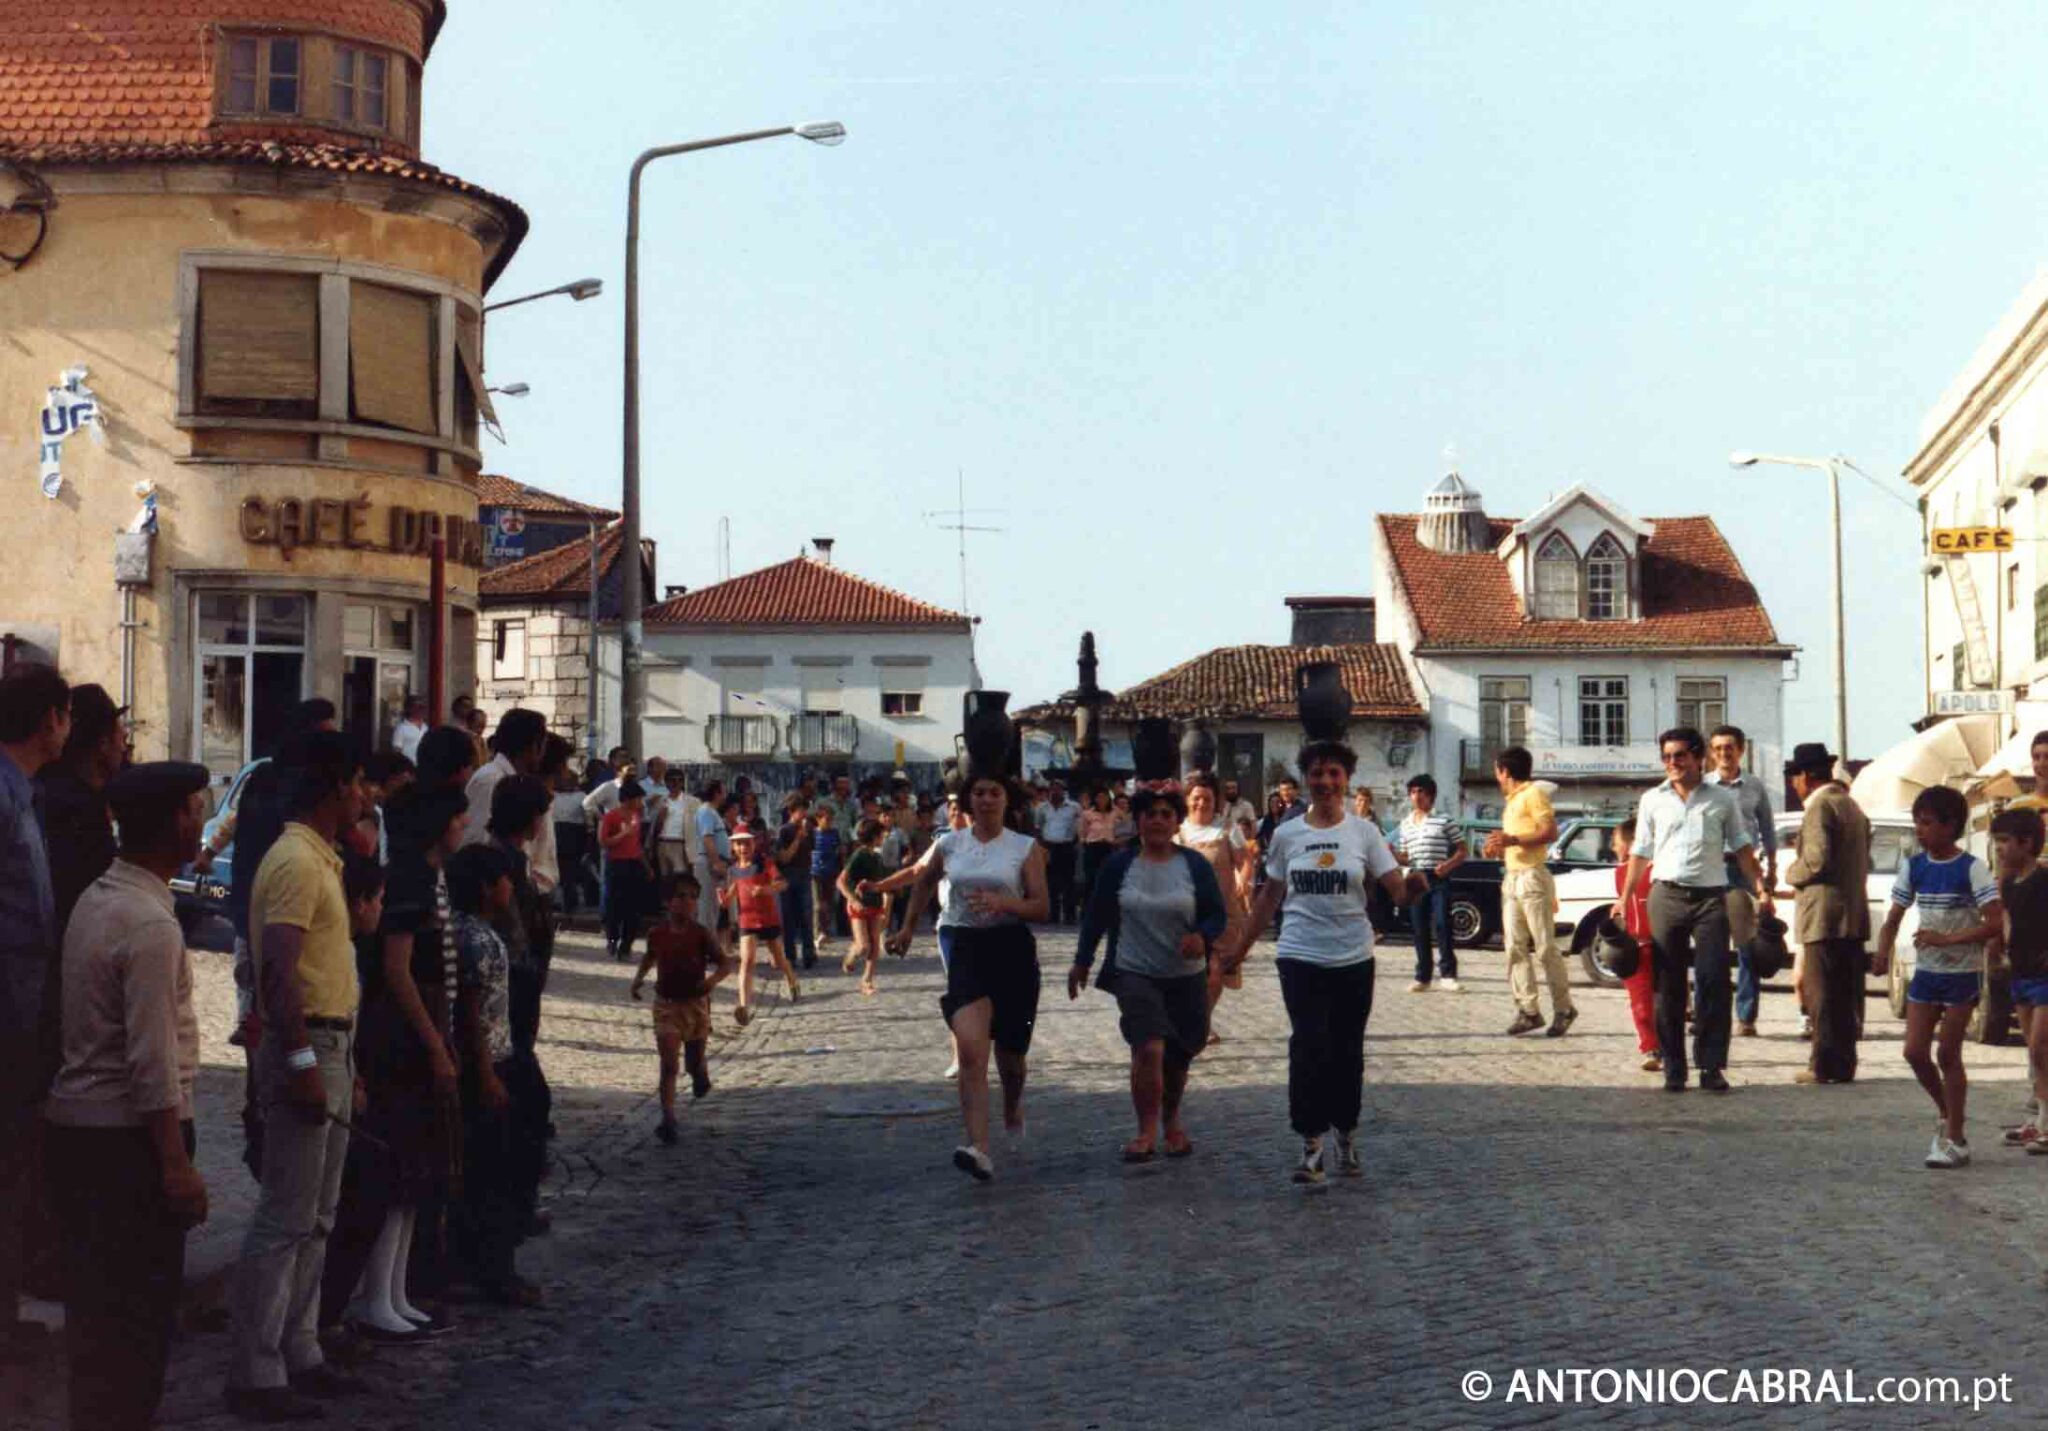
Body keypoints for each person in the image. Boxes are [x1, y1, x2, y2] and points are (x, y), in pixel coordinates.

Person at [43, 761, 210, 1431]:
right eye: (198, 807)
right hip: (125, 1145)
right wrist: (175, 1164)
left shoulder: (101, 895)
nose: (204, 820)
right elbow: (151, 1062)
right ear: (176, 820)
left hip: (83, 1136)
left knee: (99, 1327)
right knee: (135, 1332)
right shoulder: (148, 922)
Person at [226, 731, 369, 1420]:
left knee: (317, 1214)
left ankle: (299, 1347)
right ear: (335, 786)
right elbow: (279, 974)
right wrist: (302, 1063)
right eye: (359, 783)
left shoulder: (321, 858)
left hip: (334, 1044)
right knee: (285, 1214)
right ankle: (255, 1367)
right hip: (307, 1044)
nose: (365, 795)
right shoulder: (293, 861)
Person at [1221, 739, 1413, 1185]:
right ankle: (1311, 1146)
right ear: (1305, 779)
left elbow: (1395, 888)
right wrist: (1239, 949)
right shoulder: (1288, 834)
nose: (1325, 782)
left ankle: (1345, 1133)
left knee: (1346, 1050)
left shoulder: (1364, 832)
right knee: (1308, 1045)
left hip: (1352, 957)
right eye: (1317, 773)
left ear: (1347, 780)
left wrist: (1415, 886)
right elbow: (1269, 898)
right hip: (1300, 954)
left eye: (1334, 774)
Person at [880, 773, 1050, 1182]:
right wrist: (907, 927)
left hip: (1011, 950)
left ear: (1007, 800)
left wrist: (1004, 903)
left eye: (995, 792)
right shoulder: (949, 843)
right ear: (968, 800)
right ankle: (978, 1147)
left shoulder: (1025, 848)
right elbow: (922, 884)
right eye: (979, 793)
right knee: (972, 1051)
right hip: (966, 947)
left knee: (1011, 1059)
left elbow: (1041, 907)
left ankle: (1012, 1106)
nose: (987, 799)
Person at [346, 787, 466, 1347]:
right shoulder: (411, 880)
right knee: (398, 1170)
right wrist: (433, 1041)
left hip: (423, 1032)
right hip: (398, 1040)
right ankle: (376, 1299)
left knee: (417, 1173)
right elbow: (398, 969)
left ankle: (395, 1294)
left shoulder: (430, 877)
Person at [1070, 786, 1228, 1161]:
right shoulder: (1118, 865)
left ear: (1176, 822)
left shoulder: (1194, 866)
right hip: (1134, 970)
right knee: (1149, 1047)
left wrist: (1201, 936)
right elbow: (1096, 915)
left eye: (1165, 814)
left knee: (1178, 1058)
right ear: (1138, 820)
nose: (1157, 820)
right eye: (1150, 814)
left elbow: (1216, 914)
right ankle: (1145, 1132)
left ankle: (1172, 1122)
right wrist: (1082, 960)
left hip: (1186, 975)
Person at [1616, 727, 1772, 1093]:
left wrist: (1761, 888)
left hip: (1710, 900)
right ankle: (1673, 1065)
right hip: (1666, 897)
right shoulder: (1652, 799)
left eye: (1680, 755)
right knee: (1667, 985)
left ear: (1698, 758)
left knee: (1714, 981)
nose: (1672, 763)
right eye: (1667, 756)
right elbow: (1640, 851)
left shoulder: (1721, 800)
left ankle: (1711, 1065)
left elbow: (1742, 847)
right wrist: (1624, 898)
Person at [1877, 785, 2000, 1168]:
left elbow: (1994, 922)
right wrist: (1882, 950)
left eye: (1927, 823)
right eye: (1917, 822)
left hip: (1962, 974)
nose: (1919, 829)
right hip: (1927, 973)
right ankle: (1948, 1112)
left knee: (1948, 1053)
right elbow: (1894, 916)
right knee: (1914, 1051)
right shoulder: (1915, 866)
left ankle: (1956, 1138)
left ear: (1951, 826)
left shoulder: (1972, 868)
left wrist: (1947, 939)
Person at [446, 844, 540, 1304]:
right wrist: (487, 1075)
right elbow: (471, 1014)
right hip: (489, 1064)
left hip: (488, 1061)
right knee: (494, 1174)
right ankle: (495, 1271)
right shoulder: (480, 942)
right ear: (486, 888)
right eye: (505, 880)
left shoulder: (464, 932)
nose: (510, 887)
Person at [488, 775, 556, 1237]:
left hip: (518, 1000)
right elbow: (514, 938)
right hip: (508, 1002)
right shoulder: (503, 864)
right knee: (525, 1110)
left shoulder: (511, 858)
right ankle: (512, 1213)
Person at [1780, 742, 1870, 1087]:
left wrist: (1791, 874)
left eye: (1795, 776)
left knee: (1821, 996)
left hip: (1824, 916)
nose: (1794, 784)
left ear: (1806, 776)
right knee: (1845, 996)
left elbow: (1816, 860)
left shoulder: (1820, 808)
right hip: (1852, 914)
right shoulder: (1851, 804)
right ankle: (1843, 1064)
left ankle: (1821, 1065)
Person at [632, 872, 730, 1144]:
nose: (687, 902)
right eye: (681, 896)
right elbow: (650, 957)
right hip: (666, 1006)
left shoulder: (701, 935)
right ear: (668, 902)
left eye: (693, 897)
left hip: (696, 1005)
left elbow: (725, 964)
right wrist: (638, 981)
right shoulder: (658, 934)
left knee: (693, 1062)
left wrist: (711, 981)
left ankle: (700, 1073)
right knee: (669, 1063)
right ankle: (668, 1117)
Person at [1485, 747, 1576, 1038]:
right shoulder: (1511, 802)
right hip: (1513, 877)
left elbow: (1549, 832)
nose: (1496, 776)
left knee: (1546, 946)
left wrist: (1512, 839)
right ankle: (1529, 1009)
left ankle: (1564, 1008)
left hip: (1533, 877)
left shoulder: (1533, 794)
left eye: (1497, 771)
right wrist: (1499, 846)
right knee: (1514, 946)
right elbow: (1518, 841)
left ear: (1504, 771)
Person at [39, 683, 128, 942]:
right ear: (102, 744)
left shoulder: (77, 797)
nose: (125, 749)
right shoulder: (76, 813)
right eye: (121, 738)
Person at [1706, 726, 1777, 1037]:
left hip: (1744, 870)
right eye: (1719, 748)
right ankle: (1710, 1013)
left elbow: (1768, 830)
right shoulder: (1703, 786)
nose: (1725, 753)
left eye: (1730, 747)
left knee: (1747, 946)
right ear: (1711, 752)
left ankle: (1746, 1017)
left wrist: (1771, 869)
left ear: (1741, 750)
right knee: (1710, 946)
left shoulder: (1755, 787)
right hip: (1710, 871)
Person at [1992, 806, 2048, 1148]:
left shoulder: (2044, 881)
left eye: (2004, 841)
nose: (1999, 849)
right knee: (2034, 1051)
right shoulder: (2010, 883)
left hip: (2045, 975)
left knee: (2041, 1046)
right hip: (2021, 973)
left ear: (2026, 843)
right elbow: (2008, 919)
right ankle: (2041, 1119)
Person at [1177, 773, 1252, 1017]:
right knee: (1188, 972)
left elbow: (1245, 861)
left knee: (1216, 970)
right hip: (1185, 914)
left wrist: (1243, 878)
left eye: (1207, 798)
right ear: (1188, 799)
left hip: (1221, 913)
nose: (1201, 803)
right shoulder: (1177, 832)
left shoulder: (1228, 830)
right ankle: (1191, 1016)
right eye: (1196, 798)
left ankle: (1203, 1020)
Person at [1392, 774, 1466, 993]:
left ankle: (1448, 974)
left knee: (1443, 923)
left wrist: (1449, 865)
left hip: (1438, 876)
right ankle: (1423, 976)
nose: (1416, 796)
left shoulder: (1444, 820)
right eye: (1412, 792)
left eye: (1420, 791)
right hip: (1416, 877)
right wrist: (1395, 855)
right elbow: (1406, 856)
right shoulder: (1405, 824)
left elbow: (1463, 850)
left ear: (1431, 795)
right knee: (1419, 927)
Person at [720, 822, 797, 1024]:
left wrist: (764, 890)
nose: (743, 848)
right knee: (747, 961)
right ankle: (744, 1006)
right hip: (747, 919)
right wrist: (724, 900)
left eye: (746, 843)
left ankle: (791, 979)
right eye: (739, 844)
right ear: (733, 848)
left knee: (779, 959)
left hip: (768, 918)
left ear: (753, 845)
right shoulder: (734, 870)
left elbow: (782, 883)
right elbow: (731, 896)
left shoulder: (765, 863)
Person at [1611, 818, 1659, 1073]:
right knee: (1641, 1001)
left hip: (1654, 943)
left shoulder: (1654, 870)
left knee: (1655, 1000)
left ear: (1631, 844)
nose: (1613, 848)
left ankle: (1661, 1045)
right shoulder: (1620, 873)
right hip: (1637, 945)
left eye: (1616, 843)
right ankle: (1650, 1046)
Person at [599, 782, 652, 962]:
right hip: (616, 864)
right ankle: (612, 939)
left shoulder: (637, 816)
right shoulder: (611, 817)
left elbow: (637, 845)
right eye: (638, 799)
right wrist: (623, 834)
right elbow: (603, 841)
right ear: (628, 799)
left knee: (633, 908)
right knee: (614, 906)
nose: (641, 802)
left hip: (634, 864)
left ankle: (626, 945)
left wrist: (647, 866)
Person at [839, 817, 891, 996]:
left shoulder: (876, 856)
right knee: (863, 946)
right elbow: (841, 881)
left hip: (875, 904)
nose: (883, 837)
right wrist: (853, 900)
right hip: (859, 906)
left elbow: (882, 882)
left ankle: (867, 980)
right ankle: (851, 955)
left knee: (875, 943)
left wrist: (886, 902)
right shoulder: (859, 855)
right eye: (881, 834)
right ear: (875, 836)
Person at [774, 794, 817, 970]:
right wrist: (798, 838)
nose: (805, 814)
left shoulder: (810, 831)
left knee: (807, 915)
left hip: (805, 874)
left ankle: (809, 953)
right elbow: (783, 858)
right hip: (788, 876)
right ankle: (790, 955)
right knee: (788, 917)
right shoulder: (785, 831)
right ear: (792, 812)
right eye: (801, 811)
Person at [550, 759, 597, 916]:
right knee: (556, 871)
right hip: (556, 833)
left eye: (569, 779)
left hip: (573, 835)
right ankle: (555, 902)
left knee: (570, 872)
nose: (565, 782)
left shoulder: (581, 796)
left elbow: (589, 819)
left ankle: (571, 903)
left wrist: (588, 838)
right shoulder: (552, 795)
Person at [1037, 779, 1081, 924]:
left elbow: (1079, 827)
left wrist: (1075, 843)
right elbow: (1038, 827)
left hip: (1067, 846)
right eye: (1053, 789)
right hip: (1049, 846)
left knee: (1069, 882)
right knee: (1051, 883)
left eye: (1059, 789)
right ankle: (1053, 915)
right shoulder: (1042, 808)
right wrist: (1042, 847)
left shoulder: (1074, 807)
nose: (1056, 792)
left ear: (1064, 791)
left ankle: (1070, 915)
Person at [1078, 786, 1119, 912]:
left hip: (1109, 847)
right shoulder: (1087, 814)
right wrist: (1085, 844)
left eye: (1105, 797)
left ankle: (1106, 909)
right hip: (1093, 847)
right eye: (1099, 797)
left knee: (1108, 879)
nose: (1102, 799)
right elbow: (1082, 834)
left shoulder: (1114, 813)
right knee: (1091, 879)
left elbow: (1125, 824)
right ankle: (1088, 909)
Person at [809, 803, 844, 951]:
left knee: (829, 903)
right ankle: (817, 933)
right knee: (818, 905)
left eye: (831, 819)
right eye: (826, 819)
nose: (829, 822)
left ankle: (826, 930)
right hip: (815, 872)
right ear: (818, 819)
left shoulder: (834, 833)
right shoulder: (813, 834)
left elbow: (839, 849)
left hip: (831, 871)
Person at [391, 696, 428, 764]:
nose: (420, 710)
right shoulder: (401, 728)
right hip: (410, 768)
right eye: (417, 707)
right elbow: (397, 751)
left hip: (424, 767)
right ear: (409, 709)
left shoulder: (425, 727)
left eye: (422, 707)